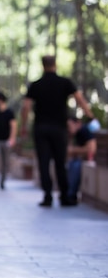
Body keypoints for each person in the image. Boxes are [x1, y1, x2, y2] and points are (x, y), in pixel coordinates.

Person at [20, 55, 95, 207]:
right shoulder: (65, 82)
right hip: (59, 128)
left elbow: (26, 107)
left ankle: (48, 196)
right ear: (55, 64)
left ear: (43, 66)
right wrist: (90, 116)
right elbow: (79, 99)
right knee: (60, 161)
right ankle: (63, 195)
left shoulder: (36, 85)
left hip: (41, 128)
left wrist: (23, 126)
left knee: (44, 162)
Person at [66, 116, 97, 204]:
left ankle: (71, 195)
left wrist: (74, 150)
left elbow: (92, 149)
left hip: (90, 160)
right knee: (71, 164)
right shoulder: (75, 134)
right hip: (80, 160)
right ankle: (69, 193)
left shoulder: (84, 130)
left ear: (78, 123)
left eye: (69, 126)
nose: (68, 129)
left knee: (75, 165)